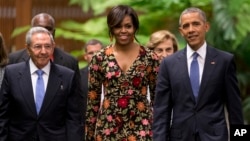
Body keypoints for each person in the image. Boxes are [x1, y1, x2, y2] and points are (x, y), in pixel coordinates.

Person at [153, 7, 243, 141]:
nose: (191, 30)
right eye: (186, 26)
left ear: (206, 26)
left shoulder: (224, 61)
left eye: (196, 24)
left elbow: (235, 109)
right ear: (181, 31)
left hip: (215, 137)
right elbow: (161, 111)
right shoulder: (168, 64)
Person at [85, 5, 159, 141]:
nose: (123, 31)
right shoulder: (99, 58)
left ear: (135, 27)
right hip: (108, 127)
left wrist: (160, 133)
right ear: (111, 28)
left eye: (128, 26)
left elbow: (157, 99)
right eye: (118, 26)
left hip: (141, 127)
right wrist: (89, 136)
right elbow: (93, 101)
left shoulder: (150, 57)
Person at [0, 27, 82, 141]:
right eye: (38, 46)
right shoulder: (12, 73)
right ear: (27, 48)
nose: (43, 51)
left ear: (53, 47)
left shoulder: (67, 76)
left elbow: (74, 119)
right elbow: (3, 115)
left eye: (48, 46)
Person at [8, 13, 79, 73]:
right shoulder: (13, 59)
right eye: (39, 28)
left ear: (53, 33)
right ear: (31, 31)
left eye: (48, 28)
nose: (43, 32)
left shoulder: (70, 62)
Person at [80, 39, 103, 140]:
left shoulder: (114, 74)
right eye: (91, 53)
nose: (95, 56)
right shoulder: (77, 76)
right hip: (85, 127)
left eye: (98, 52)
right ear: (85, 56)